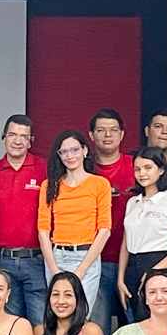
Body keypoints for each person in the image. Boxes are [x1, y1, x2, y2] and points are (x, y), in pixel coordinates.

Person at [0, 114, 48, 325]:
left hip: (37, 260)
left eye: (24, 136)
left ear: (31, 141)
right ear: (4, 137)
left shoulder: (44, 169)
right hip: (1, 260)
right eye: (12, 134)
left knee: (40, 322)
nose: (18, 140)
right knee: (8, 323)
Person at [38, 130, 112, 314]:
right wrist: (54, 269)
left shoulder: (100, 184)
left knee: (81, 315)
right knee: (59, 314)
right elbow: (43, 230)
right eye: (64, 152)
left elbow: (104, 230)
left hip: (86, 255)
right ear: (59, 155)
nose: (70, 156)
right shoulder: (49, 185)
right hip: (57, 256)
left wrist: (82, 270)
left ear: (85, 150)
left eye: (74, 150)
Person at [88, 109, 136, 335]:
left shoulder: (136, 166)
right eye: (101, 130)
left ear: (122, 135)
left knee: (135, 329)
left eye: (113, 130)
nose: (107, 135)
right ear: (91, 136)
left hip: (133, 263)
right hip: (96, 262)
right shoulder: (83, 169)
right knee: (98, 330)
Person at [118, 147, 167, 321]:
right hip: (132, 266)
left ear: (161, 170)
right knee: (136, 323)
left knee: (160, 321)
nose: (142, 173)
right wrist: (120, 279)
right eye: (137, 169)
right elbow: (126, 244)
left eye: (148, 168)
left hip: (161, 263)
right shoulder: (132, 203)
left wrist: (154, 272)